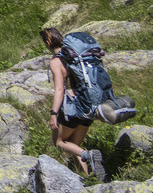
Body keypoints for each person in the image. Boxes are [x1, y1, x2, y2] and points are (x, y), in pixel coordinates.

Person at [44, 26, 106, 179]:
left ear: (47, 41)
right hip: (89, 104)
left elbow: (59, 89)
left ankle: (88, 155)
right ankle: (88, 179)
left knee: (59, 142)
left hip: (72, 107)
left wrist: (53, 114)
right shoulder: (77, 56)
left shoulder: (56, 61)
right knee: (73, 146)